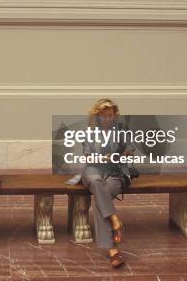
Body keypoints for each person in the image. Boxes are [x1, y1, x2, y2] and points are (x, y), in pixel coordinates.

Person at [73, 99, 134, 269]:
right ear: (98, 116)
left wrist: (125, 153)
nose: (108, 118)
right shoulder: (89, 132)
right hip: (93, 170)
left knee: (101, 196)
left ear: (115, 115)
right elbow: (87, 157)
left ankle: (113, 249)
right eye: (104, 115)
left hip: (115, 172)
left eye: (110, 115)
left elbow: (130, 150)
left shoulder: (122, 130)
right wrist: (102, 158)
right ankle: (114, 223)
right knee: (95, 181)